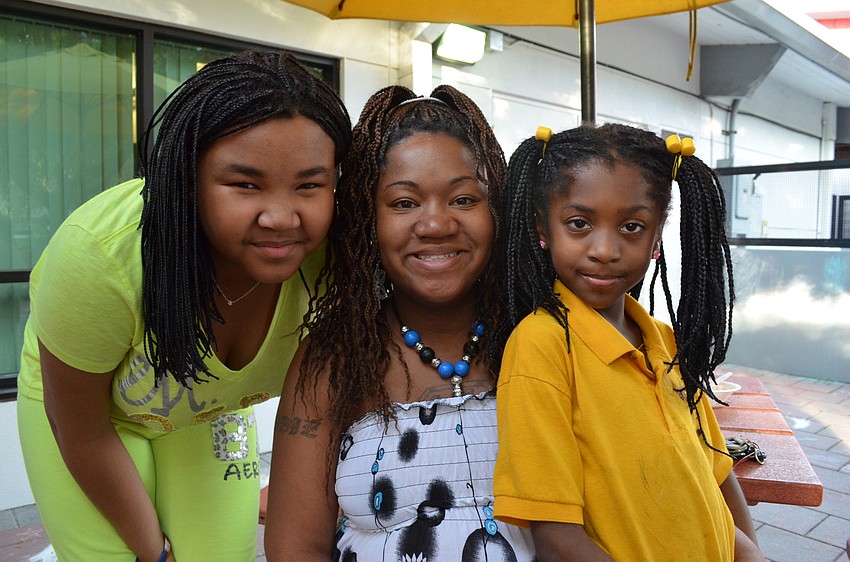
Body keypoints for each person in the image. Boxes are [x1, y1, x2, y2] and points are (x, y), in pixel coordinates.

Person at [16, 50, 352, 562]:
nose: (282, 217)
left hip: (206, 414)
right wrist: (153, 551)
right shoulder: (100, 258)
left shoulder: (339, 260)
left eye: (310, 184)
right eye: (245, 184)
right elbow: (81, 431)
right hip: (87, 419)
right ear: (184, 176)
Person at [264, 85, 536, 562]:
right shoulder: (334, 359)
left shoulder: (543, 339)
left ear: (498, 210)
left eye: (464, 200)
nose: (435, 225)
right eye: (404, 203)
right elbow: (296, 547)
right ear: (367, 220)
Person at [492, 124, 765, 561]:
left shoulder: (667, 342)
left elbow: (715, 475)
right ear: (543, 227)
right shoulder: (542, 346)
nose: (605, 249)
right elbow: (558, 541)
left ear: (657, 235)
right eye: (579, 224)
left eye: (632, 226)